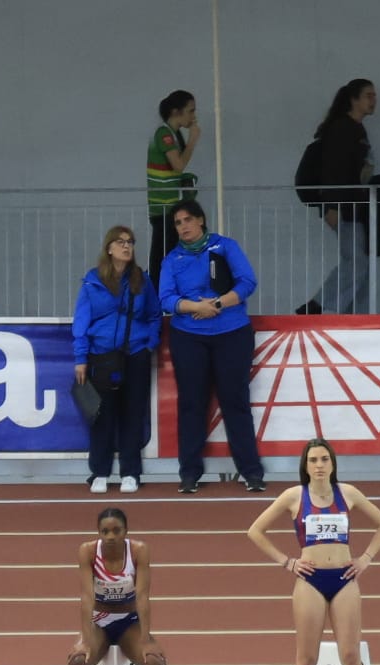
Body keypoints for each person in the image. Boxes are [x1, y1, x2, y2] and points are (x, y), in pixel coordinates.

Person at [245, 439, 380, 665]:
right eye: (313, 460)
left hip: (344, 579)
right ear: (306, 465)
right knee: (305, 660)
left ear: (333, 463)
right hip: (310, 581)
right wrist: (287, 562)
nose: (320, 465)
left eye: (325, 459)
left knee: (351, 657)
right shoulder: (294, 496)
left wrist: (366, 558)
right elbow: (255, 531)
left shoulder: (348, 493)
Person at [159, 199, 263, 494]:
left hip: (231, 332)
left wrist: (216, 304)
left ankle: (251, 471)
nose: (183, 227)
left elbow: (247, 282)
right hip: (188, 336)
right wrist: (195, 306)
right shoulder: (172, 259)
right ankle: (189, 473)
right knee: (192, 404)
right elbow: (165, 298)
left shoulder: (225, 246)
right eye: (178, 223)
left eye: (188, 220)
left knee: (236, 401)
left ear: (201, 220)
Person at [64, 508, 168, 665]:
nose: (110, 536)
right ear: (98, 533)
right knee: (77, 662)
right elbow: (86, 596)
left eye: (116, 531)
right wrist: (85, 640)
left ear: (126, 532)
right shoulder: (88, 551)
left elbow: (143, 596)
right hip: (100, 620)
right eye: (105, 531)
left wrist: (146, 639)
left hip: (129, 621)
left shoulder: (139, 551)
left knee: (156, 663)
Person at [73, 226, 162, 493]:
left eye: (131, 242)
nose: (127, 247)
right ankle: (99, 472)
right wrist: (80, 357)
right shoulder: (92, 281)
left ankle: (130, 472)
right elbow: (81, 320)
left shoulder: (141, 280)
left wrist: (150, 343)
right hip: (100, 355)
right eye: (121, 242)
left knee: (132, 414)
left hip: (135, 354)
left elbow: (155, 315)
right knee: (102, 415)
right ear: (109, 248)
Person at [296, 79, 377, 317]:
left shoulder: (357, 129)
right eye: (368, 96)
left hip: (355, 204)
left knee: (360, 264)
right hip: (344, 206)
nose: (373, 101)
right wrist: (332, 206)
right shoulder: (343, 128)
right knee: (358, 262)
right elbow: (334, 170)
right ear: (354, 99)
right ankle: (317, 305)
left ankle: (355, 315)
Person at [146, 91, 202, 291]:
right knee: (161, 257)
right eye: (190, 111)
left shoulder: (174, 134)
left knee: (171, 253)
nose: (193, 116)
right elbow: (178, 165)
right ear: (176, 111)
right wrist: (194, 139)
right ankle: (157, 296)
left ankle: (169, 293)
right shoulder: (164, 134)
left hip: (171, 206)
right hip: (162, 207)